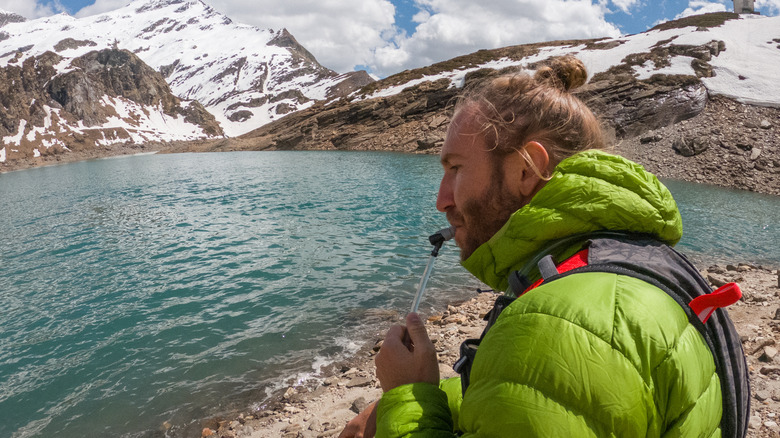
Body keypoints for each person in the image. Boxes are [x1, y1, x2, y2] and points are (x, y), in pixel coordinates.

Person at [340, 55, 734, 437]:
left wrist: (407, 394)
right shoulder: (624, 260)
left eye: (456, 168)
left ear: (526, 170)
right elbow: (545, 401)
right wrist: (437, 400)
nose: (441, 200)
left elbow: (549, 375)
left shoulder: (555, 326)